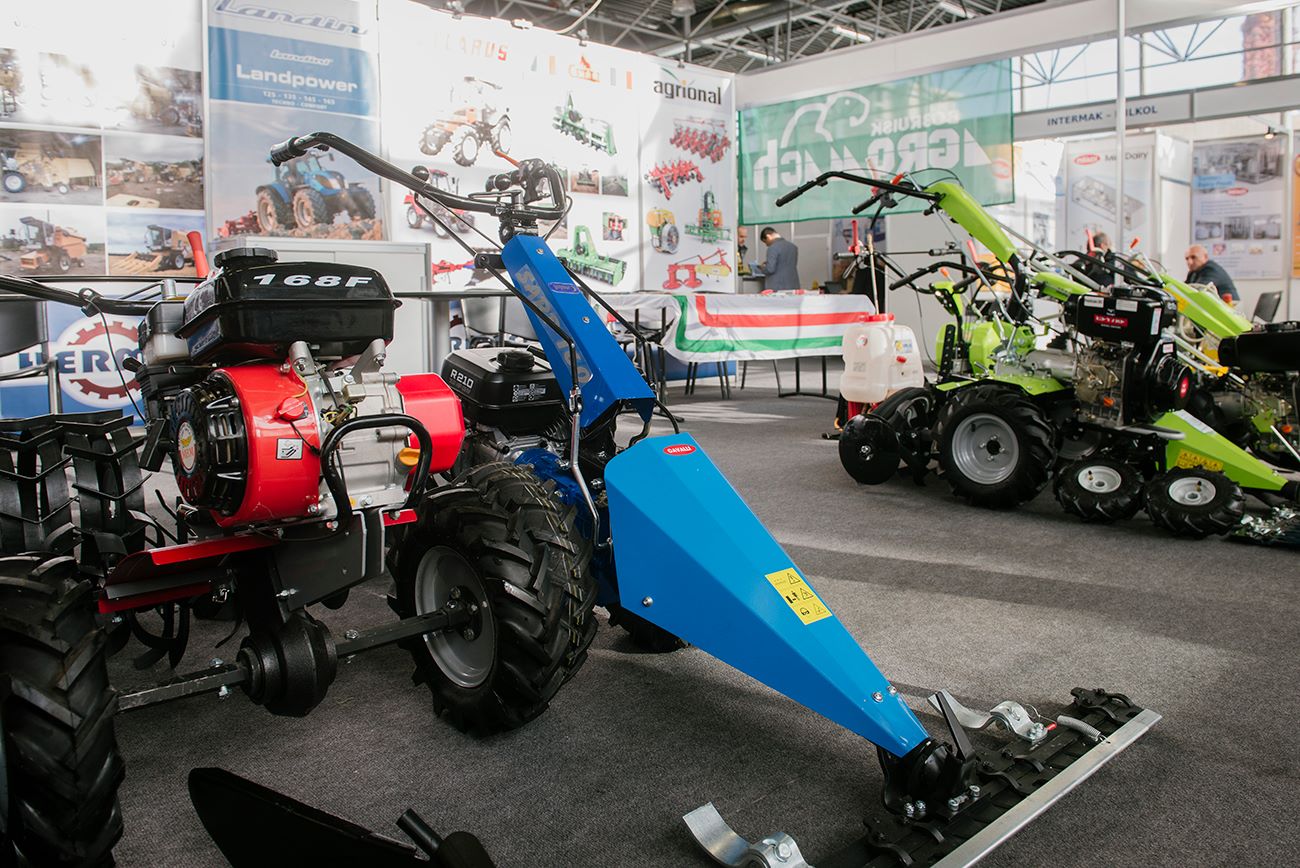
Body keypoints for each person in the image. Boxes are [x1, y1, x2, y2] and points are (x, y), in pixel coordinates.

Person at [750, 226, 800, 291]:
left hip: (777, 287)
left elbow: (770, 269)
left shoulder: (772, 248)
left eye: (765, 242)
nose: (766, 245)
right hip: (794, 285)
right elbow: (785, 264)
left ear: (768, 236)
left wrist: (762, 268)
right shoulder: (793, 247)